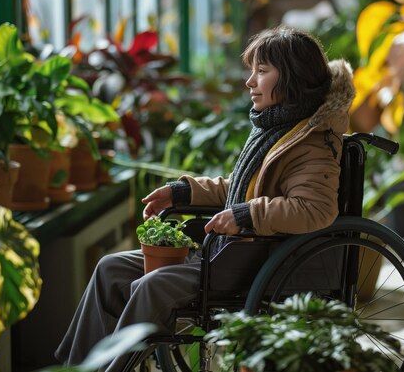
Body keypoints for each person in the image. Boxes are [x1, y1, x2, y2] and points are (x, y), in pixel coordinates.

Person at [55, 25, 356, 371]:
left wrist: (245, 215)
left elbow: (315, 210)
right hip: (223, 253)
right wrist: (181, 191)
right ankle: (77, 368)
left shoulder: (313, 141)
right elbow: (240, 189)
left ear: (293, 78)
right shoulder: (277, 129)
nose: (250, 82)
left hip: (250, 263)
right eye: (251, 71)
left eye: (262, 71)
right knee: (111, 269)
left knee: (153, 286)